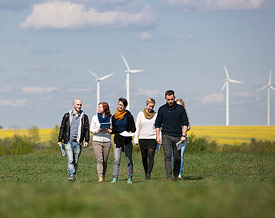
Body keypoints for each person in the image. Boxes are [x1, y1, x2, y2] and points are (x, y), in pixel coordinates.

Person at [155, 90, 189, 181]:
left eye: (172, 99)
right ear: (165, 99)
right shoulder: (162, 109)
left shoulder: (180, 109)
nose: (170, 101)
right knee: (167, 155)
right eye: (168, 99)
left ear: (174, 98)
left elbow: (185, 123)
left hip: (178, 136)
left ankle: (175, 176)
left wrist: (183, 135)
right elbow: (157, 124)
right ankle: (169, 177)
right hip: (166, 135)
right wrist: (158, 136)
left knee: (177, 157)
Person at [58, 98, 90, 181]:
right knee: (70, 160)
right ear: (73, 105)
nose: (79, 106)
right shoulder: (67, 115)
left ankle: (73, 175)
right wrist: (60, 140)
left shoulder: (84, 117)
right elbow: (62, 128)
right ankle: (71, 175)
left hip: (78, 142)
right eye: (77, 104)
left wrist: (86, 140)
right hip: (68, 141)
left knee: (75, 161)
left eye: (80, 105)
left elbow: (86, 129)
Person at [107, 97, 136, 184]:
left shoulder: (129, 115)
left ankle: (130, 178)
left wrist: (131, 131)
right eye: (119, 104)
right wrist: (111, 131)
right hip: (118, 140)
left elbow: (133, 128)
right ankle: (115, 178)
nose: (120, 106)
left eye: (122, 105)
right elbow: (115, 129)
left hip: (127, 139)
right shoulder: (114, 117)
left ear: (125, 106)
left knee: (129, 159)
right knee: (116, 160)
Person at [134, 98, 157, 180]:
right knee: (144, 157)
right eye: (150, 106)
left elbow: (158, 127)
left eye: (152, 106)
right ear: (146, 105)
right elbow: (137, 126)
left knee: (151, 155)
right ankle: (146, 171)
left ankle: (148, 175)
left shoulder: (156, 115)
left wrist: (158, 137)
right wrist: (135, 138)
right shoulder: (140, 114)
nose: (151, 108)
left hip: (152, 138)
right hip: (143, 138)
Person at [90, 102, 112, 183]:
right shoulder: (95, 117)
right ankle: (100, 177)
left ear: (104, 109)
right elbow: (91, 129)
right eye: (98, 107)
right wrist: (97, 130)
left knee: (105, 160)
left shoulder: (110, 118)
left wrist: (110, 130)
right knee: (100, 160)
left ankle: (103, 176)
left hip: (107, 141)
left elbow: (113, 129)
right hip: (97, 140)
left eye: (100, 107)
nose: (98, 108)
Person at [175, 98, 190, 179]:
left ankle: (179, 173)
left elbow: (189, 126)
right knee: (174, 156)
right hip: (174, 136)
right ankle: (175, 172)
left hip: (183, 138)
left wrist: (183, 129)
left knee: (181, 156)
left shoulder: (185, 115)